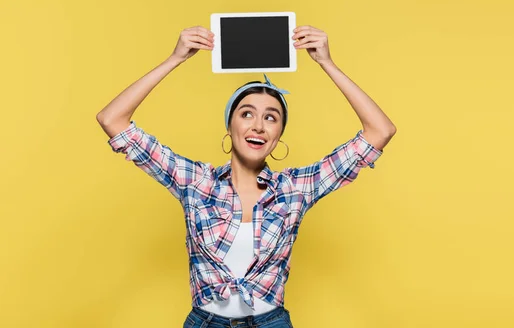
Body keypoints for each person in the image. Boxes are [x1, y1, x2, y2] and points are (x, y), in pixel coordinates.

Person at [96, 24, 396, 328]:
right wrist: (175, 59)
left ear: (279, 135)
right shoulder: (197, 182)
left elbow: (380, 131)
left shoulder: (294, 189)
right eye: (247, 113)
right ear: (230, 126)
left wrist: (327, 63)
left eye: (271, 118)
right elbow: (112, 119)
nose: (258, 126)